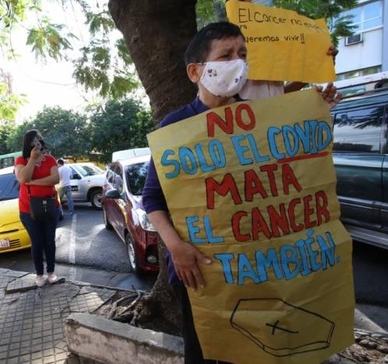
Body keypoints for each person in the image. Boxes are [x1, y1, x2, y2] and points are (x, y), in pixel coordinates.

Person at [142, 22, 342, 364]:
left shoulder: (260, 118)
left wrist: (313, 104)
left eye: (243, 54)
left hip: (262, 272)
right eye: (226, 55)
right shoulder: (174, 128)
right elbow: (153, 198)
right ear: (196, 71)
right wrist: (176, 247)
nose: (238, 62)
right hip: (200, 272)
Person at [14, 130, 60, 287]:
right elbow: (23, 178)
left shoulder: (50, 159)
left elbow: (55, 179)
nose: (37, 143)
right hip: (28, 210)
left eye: (39, 140)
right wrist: (32, 160)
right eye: (34, 140)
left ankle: (51, 272)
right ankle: (39, 275)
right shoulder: (21, 160)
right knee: (37, 242)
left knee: (49, 241)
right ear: (28, 143)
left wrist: (33, 183)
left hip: (49, 206)